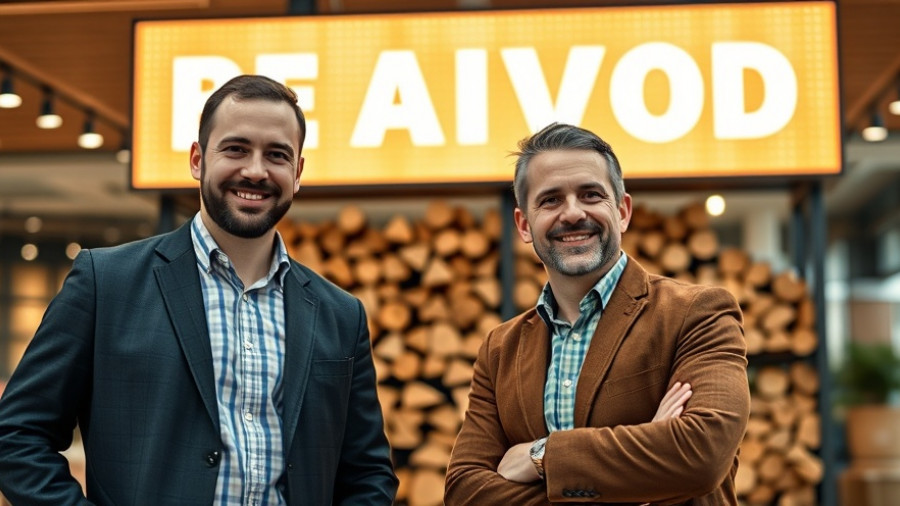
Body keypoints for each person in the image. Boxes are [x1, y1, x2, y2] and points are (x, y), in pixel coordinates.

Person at [0, 75, 398, 505]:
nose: (255, 170)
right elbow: (18, 436)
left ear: (297, 172)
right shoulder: (106, 282)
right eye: (236, 149)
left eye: (277, 155)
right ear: (197, 159)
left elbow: (368, 474)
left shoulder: (340, 313)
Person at [445, 122, 750, 505]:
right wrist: (640, 472)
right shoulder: (500, 349)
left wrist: (542, 456)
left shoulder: (696, 314)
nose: (572, 214)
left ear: (622, 211)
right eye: (551, 200)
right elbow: (465, 491)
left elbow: (702, 454)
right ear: (524, 225)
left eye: (590, 195)